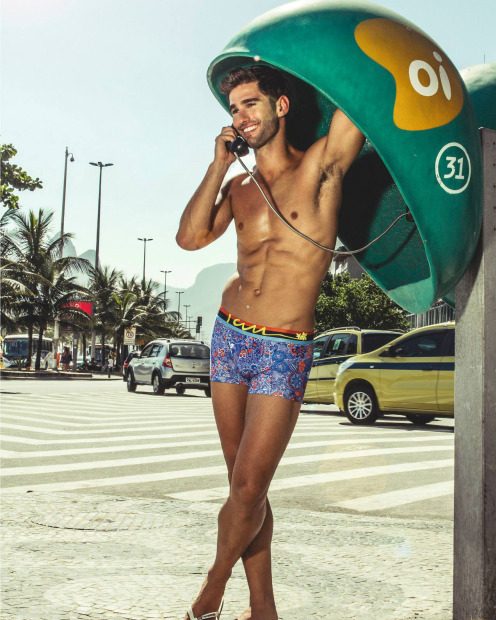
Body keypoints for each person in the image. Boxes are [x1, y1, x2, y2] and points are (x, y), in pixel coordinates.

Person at [176, 65, 365, 620]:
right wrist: (218, 164)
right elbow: (189, 238)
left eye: (251, 103)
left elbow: (362, 90)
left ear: (281, 106)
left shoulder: (321, 165)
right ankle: (264, 609)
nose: (241, 117)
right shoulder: (239, 189)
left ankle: (210, 592)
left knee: (249, 487)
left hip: (284, 347)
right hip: (230, 336)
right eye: (234, 109)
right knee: (243, 486)